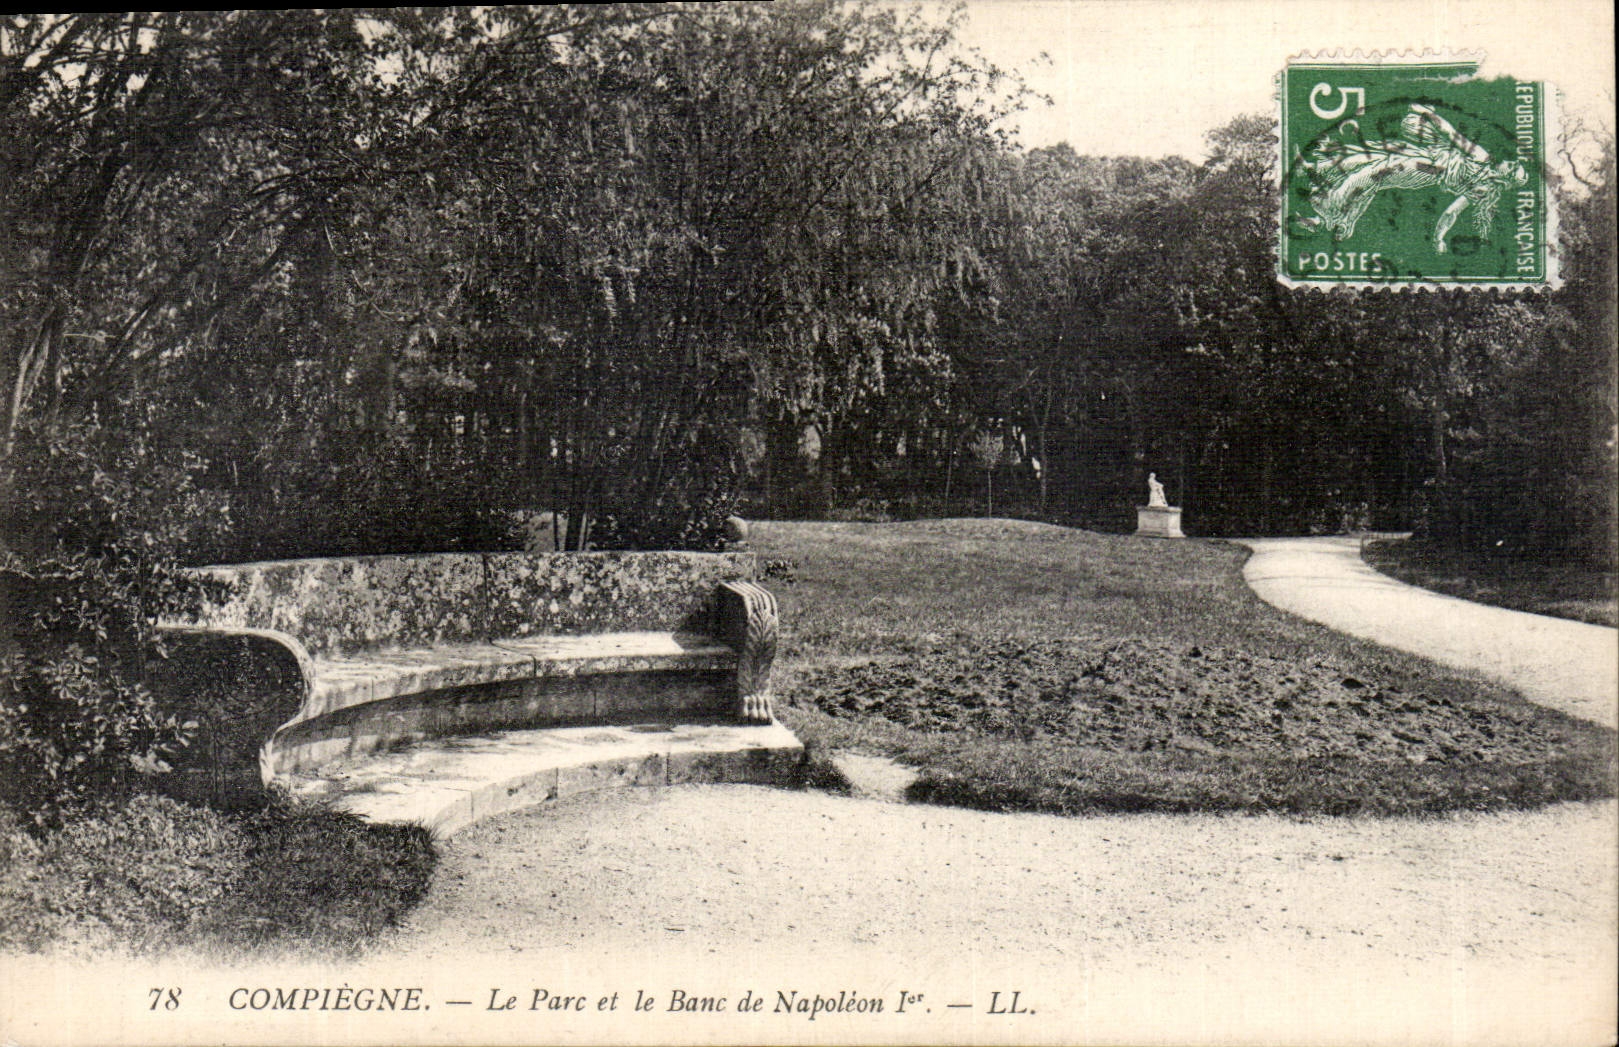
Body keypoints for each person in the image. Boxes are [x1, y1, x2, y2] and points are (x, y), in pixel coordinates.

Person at [1296, 103, 1527, 254]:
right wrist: (1439, 239)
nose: (1509, 161)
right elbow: (1451, 212)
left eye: (1512, 167)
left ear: (1505, 177)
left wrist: (1428, 113)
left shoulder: (1481, 162)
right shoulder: (1482, 182)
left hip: (1424, 168)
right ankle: (1320, 184)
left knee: (1371, 175)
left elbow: (1450, 134)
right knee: (1373, 159)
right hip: (1426, 160)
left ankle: (1326, 206)